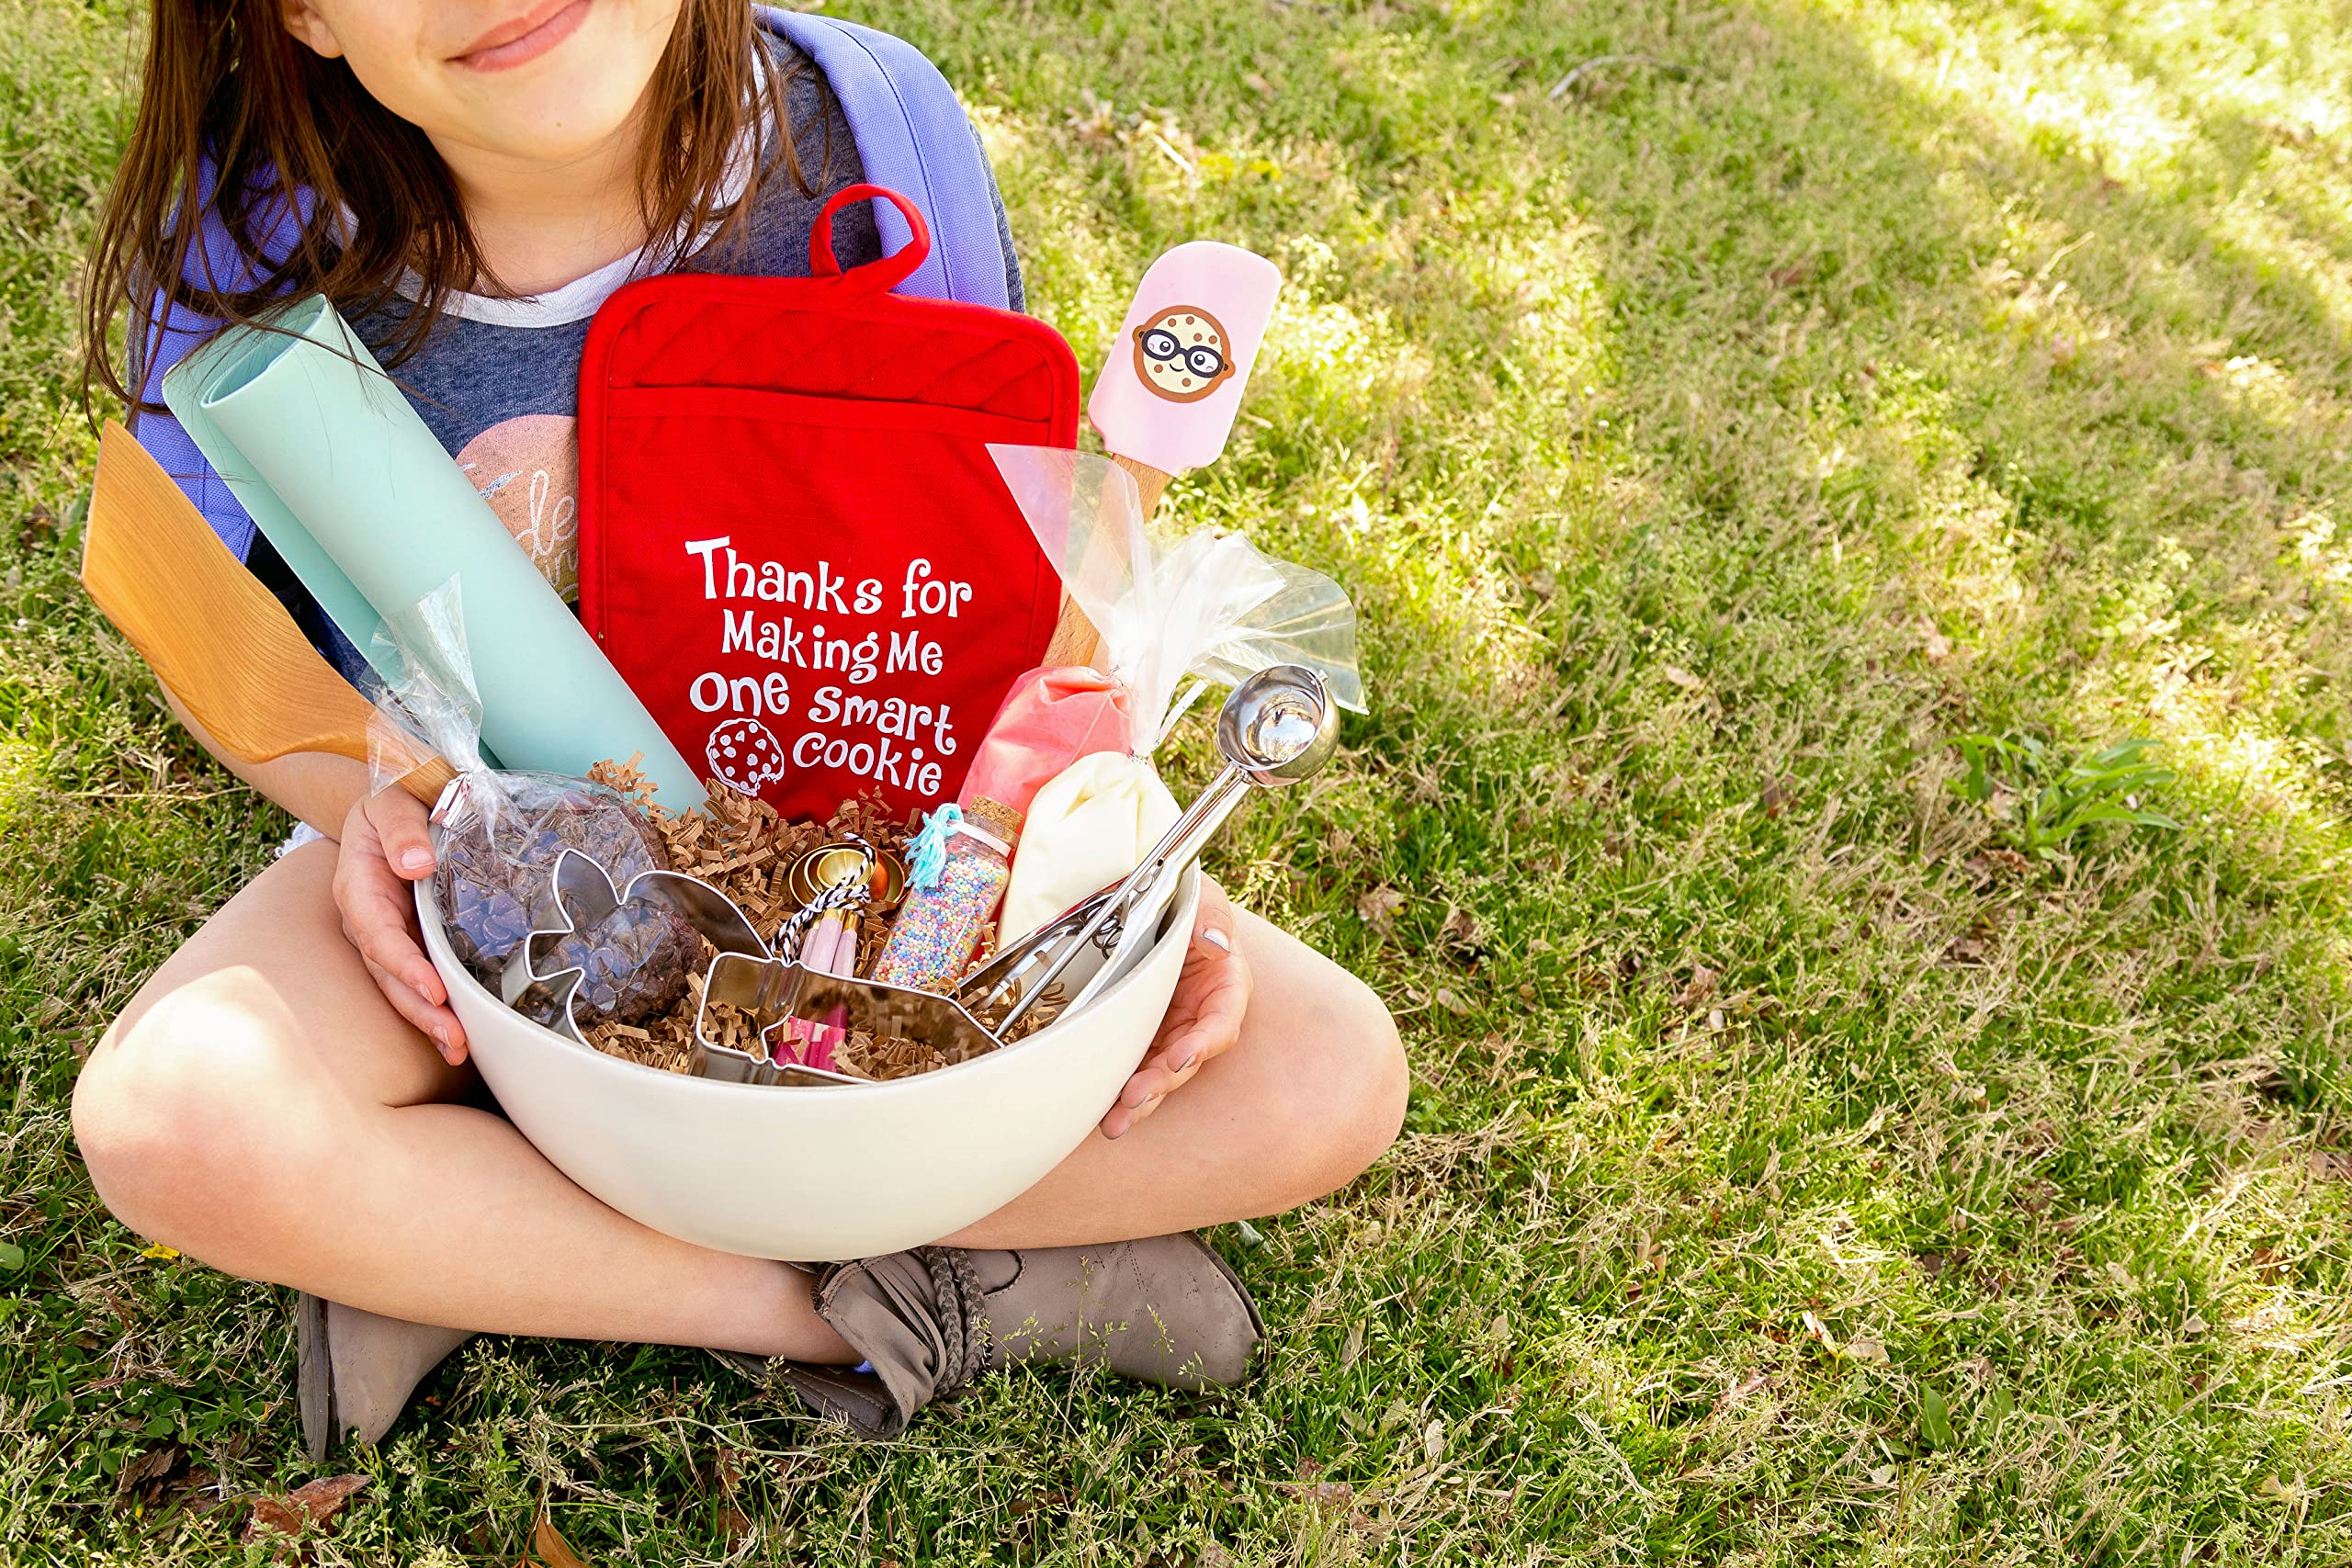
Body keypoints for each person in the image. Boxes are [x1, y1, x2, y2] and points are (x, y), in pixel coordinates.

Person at [68, 0, 1407, 1457]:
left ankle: (473, 1245)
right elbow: (221, 635)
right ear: (299, 16)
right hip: (487, 872)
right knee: (179, 1120)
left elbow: (985, 587)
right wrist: (362, 809)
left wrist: (1111, 879)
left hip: (878, 834)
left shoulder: (864, 127)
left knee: (1329, 1075)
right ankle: (911, 1300)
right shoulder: (252, 229)